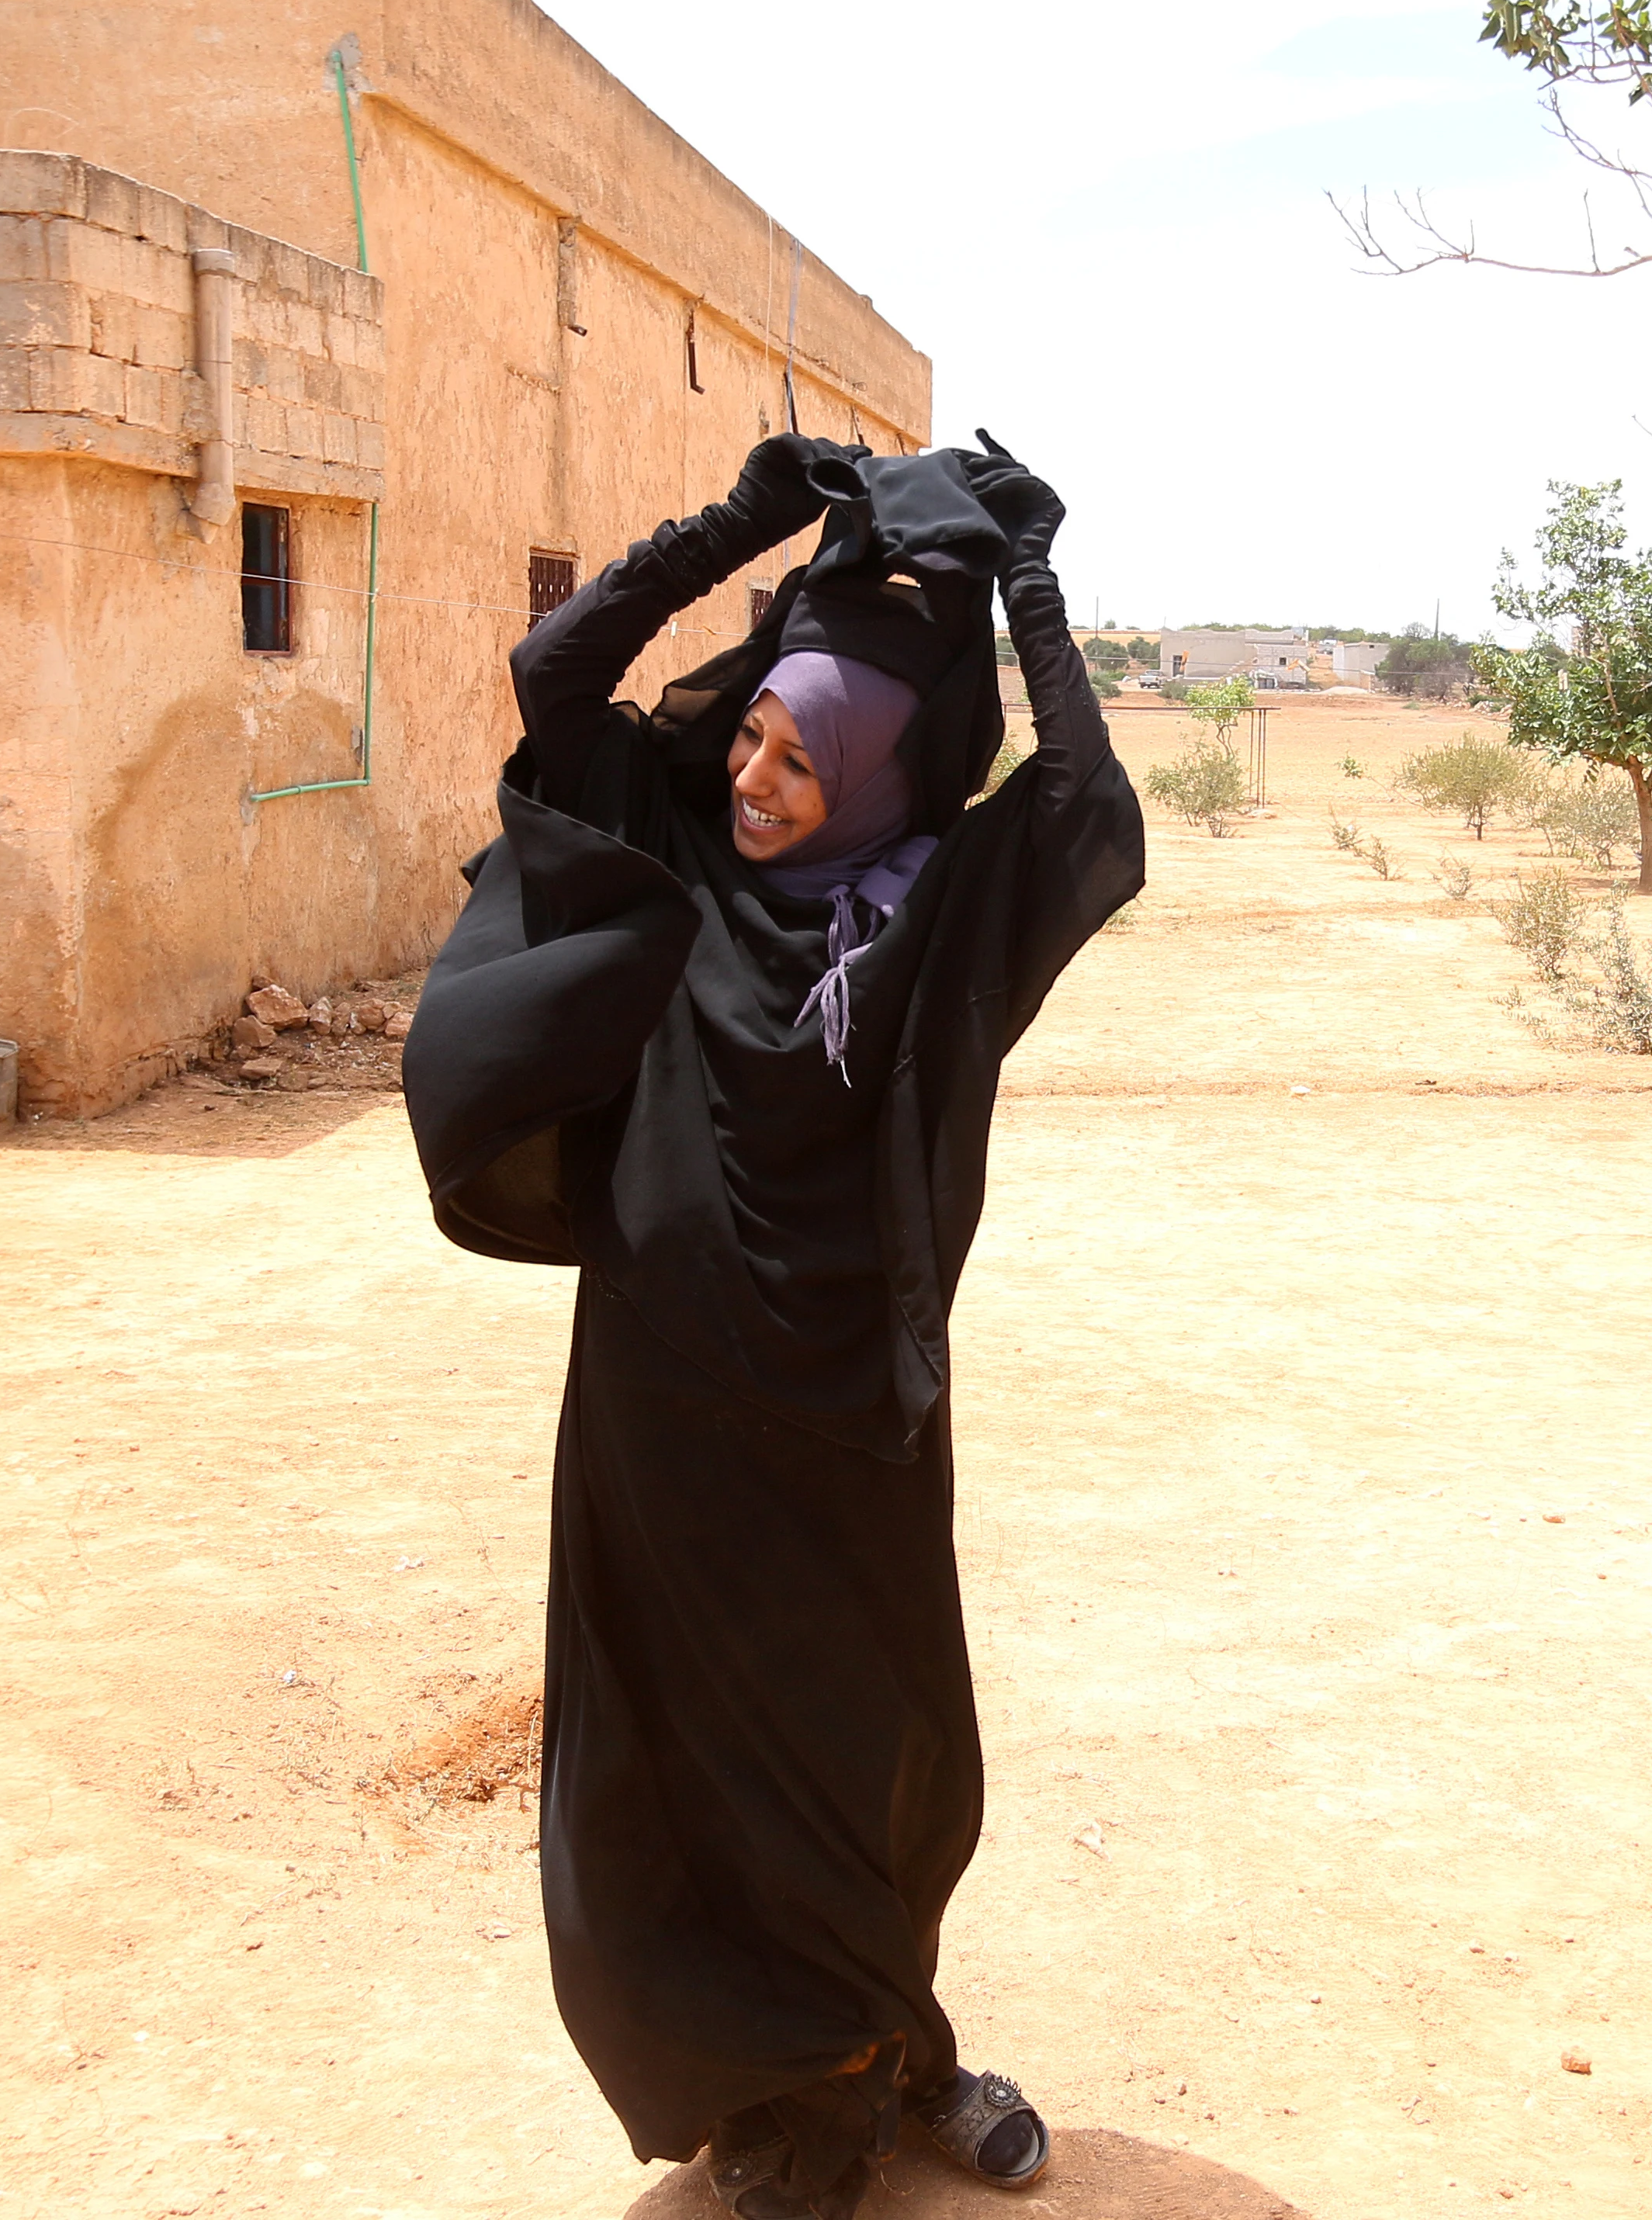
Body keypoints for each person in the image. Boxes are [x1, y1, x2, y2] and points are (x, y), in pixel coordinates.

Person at [400, 431, 1145, 2220]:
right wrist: (743, 532)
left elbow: (1092, 820)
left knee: (880, 1754)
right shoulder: (672, 845)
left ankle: (902, 2054)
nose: (755, 772)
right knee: (691, 1765)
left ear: (886, 768)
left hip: (856, 1410)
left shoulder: (946, 908)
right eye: (753, 734)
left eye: (804, 755)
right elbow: (556, 673)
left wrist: (1030, 596)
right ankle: (775, 2104)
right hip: (662, 1407)